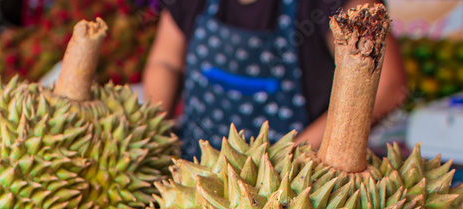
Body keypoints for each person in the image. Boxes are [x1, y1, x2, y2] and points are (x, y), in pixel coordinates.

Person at [143, 0, 406, 160]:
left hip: (298, 184)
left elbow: (390, 86)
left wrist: (292, 153)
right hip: (195, 166)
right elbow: (166, 61)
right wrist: (155, 131)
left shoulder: (325, 4)